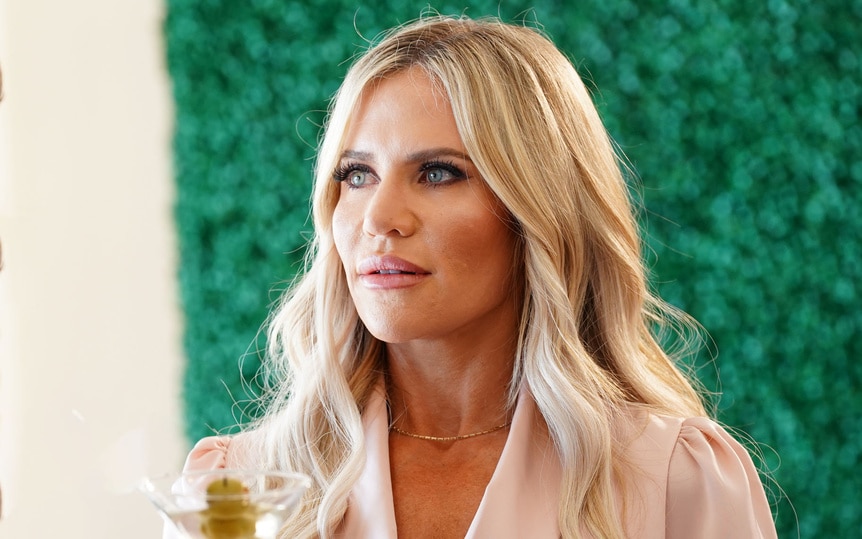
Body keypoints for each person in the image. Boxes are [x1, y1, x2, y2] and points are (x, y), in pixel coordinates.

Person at [171, 15, 777, 538]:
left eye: (437, 173)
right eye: (356, 175)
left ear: (536, 209)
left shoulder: (676, 480)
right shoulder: (235, 489)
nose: (379, 218)